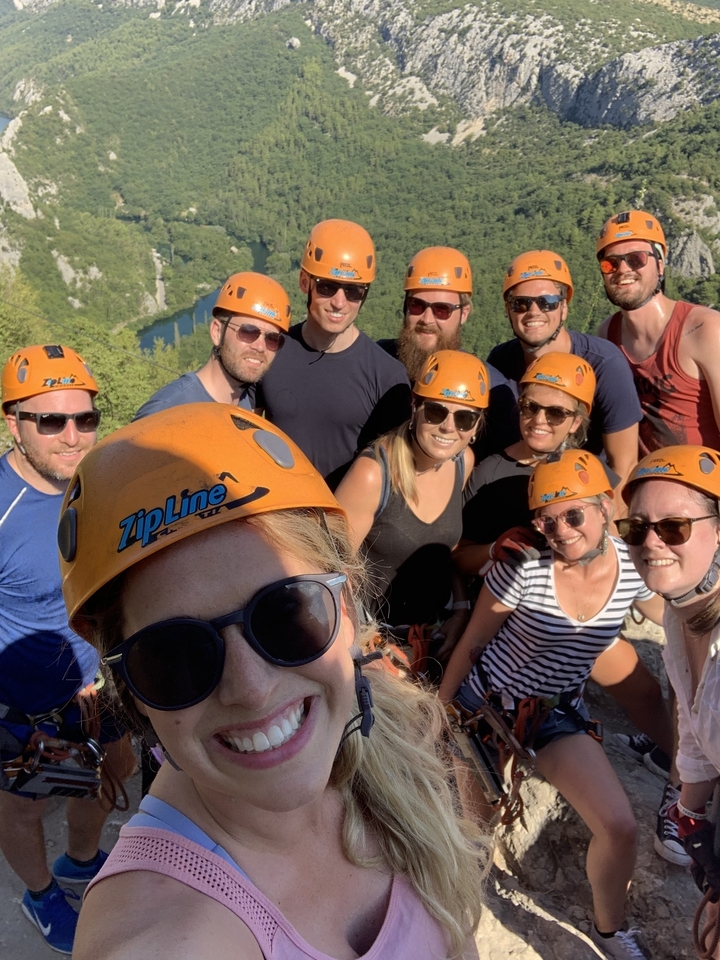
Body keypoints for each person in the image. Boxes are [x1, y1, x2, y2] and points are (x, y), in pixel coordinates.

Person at [57, 403, 486, 960]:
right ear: (131, 691)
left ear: (348, 607)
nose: (252, 689)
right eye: (175, 655)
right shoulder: (161, 937)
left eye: (286, 615)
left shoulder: (392, 743)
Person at [439, 450, 664, 960]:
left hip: (553, 713)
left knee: (620, 826)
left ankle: (610, 932)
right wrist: (442, 709)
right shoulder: (524, 565)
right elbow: (476, 640)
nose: (559, 529)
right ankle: (457, 928)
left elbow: (676, 600)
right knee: (474, 833)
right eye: (545, 517)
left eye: (573, 514)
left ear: (606, 507)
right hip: (487, 705)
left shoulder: (632, 565)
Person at [0, 344, 135, 955]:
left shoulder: (99, 479)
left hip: (97, 681)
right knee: (23, 807)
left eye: (84, 418)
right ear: (14, 423)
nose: (72, 435)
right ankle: (40, 893)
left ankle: (82, 859)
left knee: (114, 770)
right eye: (50, 420)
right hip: (22, 700)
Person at [621, 445, 720, 957]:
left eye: (674, 527)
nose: (651, 542)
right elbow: (701, 741)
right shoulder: (680, 621)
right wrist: (690, 812)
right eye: (636, 529)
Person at [335, 350, 488, 660]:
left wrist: (460, 610)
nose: (448, 427)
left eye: (464, 418)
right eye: (435, 411)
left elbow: (447, 552)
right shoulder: (374, 474)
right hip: (373, 638)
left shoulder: (462, 463)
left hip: (431, 632)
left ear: (475, 428)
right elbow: (331, 568)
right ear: (415, 407)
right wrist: (363, 643)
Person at [257, 219, 411, 488]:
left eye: (353, 291)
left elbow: (393, 475)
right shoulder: (270, 351)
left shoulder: (387, 378)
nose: (339, 302)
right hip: (278, 515)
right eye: (327, 286)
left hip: (345, 522)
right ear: (305, 282)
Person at [487, 250, 642, 494]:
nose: (533, 312)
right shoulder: (501, 360)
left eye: (547, 302)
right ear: (508, 311)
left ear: (564, 308)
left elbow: (624, 466)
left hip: (586, 499)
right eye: (520, 303)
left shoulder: (604, 365)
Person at [596, 209, 720, 455]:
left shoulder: (705, 330)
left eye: (636, 259)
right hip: (643, 483)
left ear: (660, 265)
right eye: (611, 263)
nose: (622, 270)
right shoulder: (607, 335)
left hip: (705, 485)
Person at [377, 245, 518, 460]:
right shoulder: (376, 362)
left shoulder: (491, 393)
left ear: (464, 314)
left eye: (442, 309)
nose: (427, 319)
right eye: (416, 305)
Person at [134, 272, 291, 419]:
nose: (260, 347)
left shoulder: (245, 405)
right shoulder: (166, 411)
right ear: (217, 332)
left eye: (272, 339)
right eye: (248, 332)